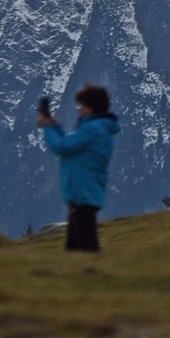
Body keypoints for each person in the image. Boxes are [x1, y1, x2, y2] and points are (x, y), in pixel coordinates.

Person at [38, 85, 120, 252]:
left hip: (84, 195)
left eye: (81, 105)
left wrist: (47, 127)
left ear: (90, 108)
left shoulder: (92, 129)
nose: (78, 109)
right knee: (76, 250)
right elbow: (71, 145)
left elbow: (62, 147)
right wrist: (56, 126)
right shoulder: (96, 128)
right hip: (83, 196)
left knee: (85, 250)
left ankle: (93, 274)